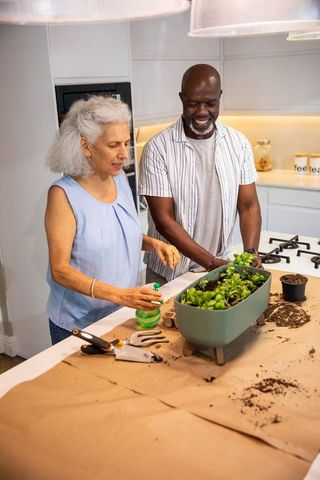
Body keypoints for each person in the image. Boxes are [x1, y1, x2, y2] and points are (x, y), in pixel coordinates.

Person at [45, 95, 180, 344]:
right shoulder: (63, 195)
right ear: (86, 146)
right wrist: (121, 295)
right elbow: (60, 271)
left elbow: (117, 234)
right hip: (77, 324)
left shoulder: (118, 178)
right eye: (113, 145)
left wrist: (153, 244)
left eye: (127, 143)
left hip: (119, 314)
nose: (123, 154)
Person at [138, 64, 262, 285]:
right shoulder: (158, 148)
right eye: (193, 104)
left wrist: (251, 252)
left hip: (220, 266)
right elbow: (164, 220)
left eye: (211, 103)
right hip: (169, 272)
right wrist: (211, 263)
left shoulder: (238, 143)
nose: (202, 111)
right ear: (181, 98)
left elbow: (248, 206)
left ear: (220, 97)